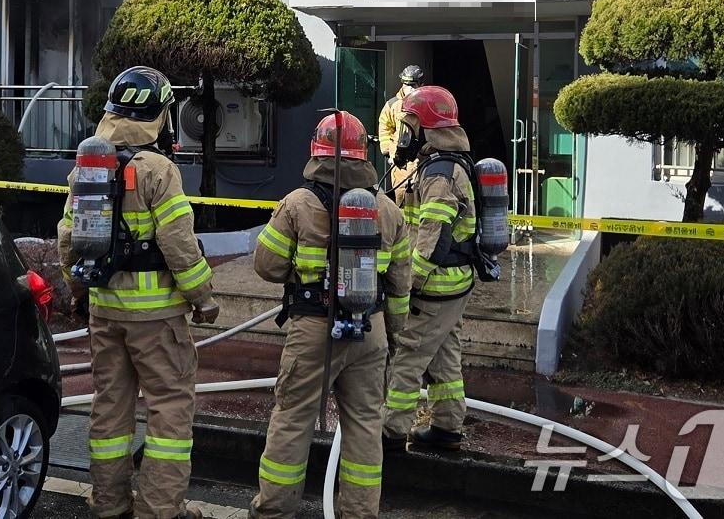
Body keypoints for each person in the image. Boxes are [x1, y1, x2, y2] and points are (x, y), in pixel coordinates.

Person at [57, 66, 219, 519]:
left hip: (105, 312)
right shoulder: (158, 170)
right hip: (158, 320)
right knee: (169, 413)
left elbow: (67, 239)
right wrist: (203, 298)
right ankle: (158, 510)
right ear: (161, 115)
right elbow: (179, 243)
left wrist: (77, 291)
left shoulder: (86, 168)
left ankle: (109, 505)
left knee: (109, 409)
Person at [250, 112, 411, 519]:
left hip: (313, 330)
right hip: (369, 331)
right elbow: (399, 286)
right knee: (364, 427)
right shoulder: (388, 210)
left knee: (292, 420)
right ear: (363, 155)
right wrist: (391, 335)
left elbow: (265, 265)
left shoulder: (298, 204)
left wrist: (303, 275)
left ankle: (274, 511)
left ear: (316, 153)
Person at [381, 85, 476, 453]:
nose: (405, 133)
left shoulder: (440, 175)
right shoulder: (445, 165)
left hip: (435, 286)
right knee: (443, 355)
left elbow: (432, 242)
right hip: (454, 285)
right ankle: (447, 427)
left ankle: (389, 434)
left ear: (426, 128)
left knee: (407, 356)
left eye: (410, 124)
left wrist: (406, 283)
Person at [377, 65, 425, 204]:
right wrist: (388, 151)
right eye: (406, 84)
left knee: (422, 197)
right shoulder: (393, 104)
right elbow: (385, 126)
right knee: (402, 197)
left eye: (413, 85)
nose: (409, 88)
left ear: (422, 85)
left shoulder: (427, 104)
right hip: (400, 163)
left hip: (421, 160)